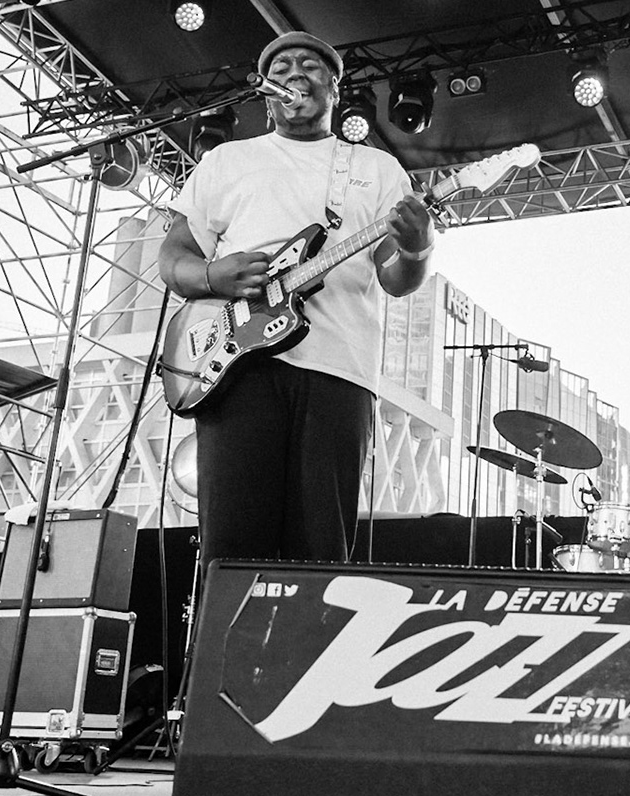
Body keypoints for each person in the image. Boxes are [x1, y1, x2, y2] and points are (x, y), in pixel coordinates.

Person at [157, 32, 435, 564]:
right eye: (280, 66)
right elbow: (174, 258)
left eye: (310, 64)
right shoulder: (226, 161)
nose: (294, 71)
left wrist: (418, 251)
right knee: (233, 546)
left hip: (339, 371)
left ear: (335, 87)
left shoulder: (376, 169)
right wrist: (215, 276)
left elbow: (396, 280)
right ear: (266, 92)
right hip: (234, 367)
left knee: (320, 549)